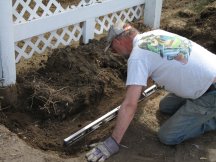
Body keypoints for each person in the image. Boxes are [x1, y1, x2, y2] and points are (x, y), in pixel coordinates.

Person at [85, 22, 216, 162]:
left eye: (112, 47)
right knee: (166, 106)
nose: (114, 52)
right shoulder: (154, 35)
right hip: (207, 77)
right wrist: (138, 91)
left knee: (167, 136)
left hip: (209, 92)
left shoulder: (137, 57)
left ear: (118, 41)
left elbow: (129, 105)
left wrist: (113, 142)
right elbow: (147, 74)